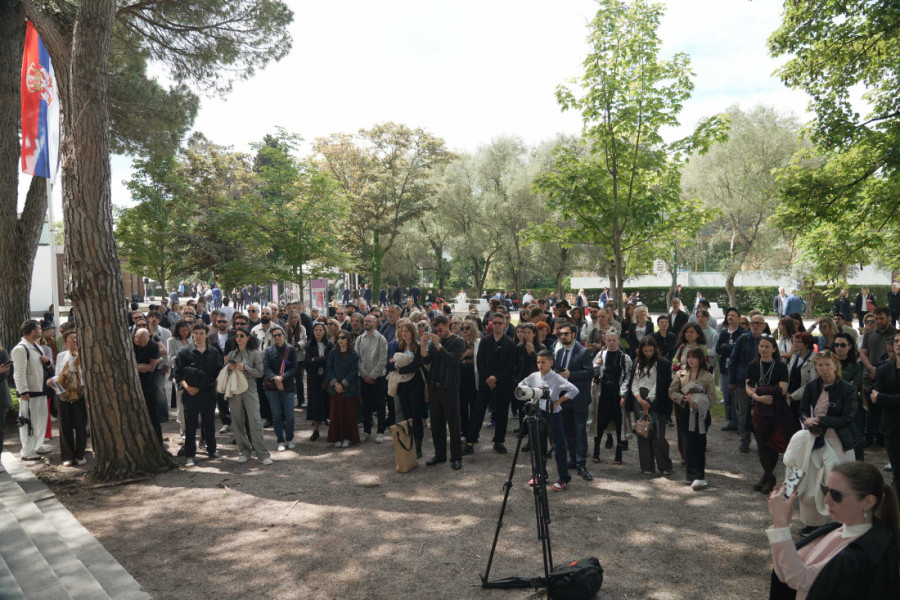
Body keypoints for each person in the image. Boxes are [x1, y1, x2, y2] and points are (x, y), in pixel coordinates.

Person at [766, 461, 900, 600]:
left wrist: (780, 525)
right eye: (826, 490)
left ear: (868, 502)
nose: (826, 500)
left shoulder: (864, 554)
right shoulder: (835, 527)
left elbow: (801, 580)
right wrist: (780, 527)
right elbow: (784, 573)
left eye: (836, 495)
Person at [794, 351, 861, 532]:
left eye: (827, 365)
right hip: (814, 439)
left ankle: (840, 521)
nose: (823, 369)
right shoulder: (812, 386)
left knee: (839, 482)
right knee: (813, 481)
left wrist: (821, 421)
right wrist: (807, 421)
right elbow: (802, 410)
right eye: (820, 365)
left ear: (835, 366)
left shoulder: (847, 388)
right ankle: (813, 523)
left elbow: (848, 418)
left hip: (839, 440)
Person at [518, 349, 577, 491]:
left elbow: (574, 390)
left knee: (559, 446)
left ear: (551, 363)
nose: (540, 365)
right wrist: (530, 396)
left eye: (543, 362)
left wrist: (558, 401)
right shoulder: (534, 376)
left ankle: (563, 478)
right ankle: (540, 474)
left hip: (553, 415)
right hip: (538, 414)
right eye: (538, 362)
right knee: (539, 445)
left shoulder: (556, 378)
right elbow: (521, 385)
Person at [744, 334, 792, 495]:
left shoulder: (780, 366)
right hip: (758, 407)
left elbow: (783, 389)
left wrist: (760, 389)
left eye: (767, 346)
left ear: (773, 349)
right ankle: (768, 476)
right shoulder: (753, 365)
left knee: (772, 443)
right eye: (761, 346)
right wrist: (758, 396)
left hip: (776, 408)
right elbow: (748, 387)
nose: (763, 349)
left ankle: (769, 477)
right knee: (761, 443)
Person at [174, 322, 224, 467]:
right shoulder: (184, 352)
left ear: (206, 334)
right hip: (191, 393)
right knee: (190, 425)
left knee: (209, 423)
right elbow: (178, 374)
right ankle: (190, 455)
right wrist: (187, 388)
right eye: (196, 333)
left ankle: (212, 450)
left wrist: (216, 389)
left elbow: (219, 373)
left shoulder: (213, 352)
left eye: (202, 333)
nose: (199, 336)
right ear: (192, 334)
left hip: (208, 393)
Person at [467, 312, 516, 454]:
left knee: (501, 413)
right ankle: (471, 440)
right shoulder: (485, 340)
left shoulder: (509, 343)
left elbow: (510, 365)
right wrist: (487, 377)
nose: (497, 325)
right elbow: (480, 361)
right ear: (491, 323)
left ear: (505, 324)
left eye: (500, 323)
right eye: (495, 323)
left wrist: (496, 378)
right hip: (485, 383)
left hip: (502, 384)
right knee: (478, 412)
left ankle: (499, 441)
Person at [421, 314, 466, 470]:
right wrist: (423, 346)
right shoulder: (435, 342)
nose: (438, 333)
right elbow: (427, 361)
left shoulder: (458, 341)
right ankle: (440, 454)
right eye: (436, 330)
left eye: (440, 330)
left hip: (450, 387)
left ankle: (456, 457)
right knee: (436, 424)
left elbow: (453, 361)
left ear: (448, 326)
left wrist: (439, 345)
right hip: (435, 387)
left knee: (453, 424)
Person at [669, 346, 717, 490]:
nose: (690, 360)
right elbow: (671, 391)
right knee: (688, 444)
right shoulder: (680, 374)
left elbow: (712, 398)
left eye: (694, 357)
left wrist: (698, 400)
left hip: (701, 416)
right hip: (685, 414)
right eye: (689, 357)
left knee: (700, 444)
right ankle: (690, 475)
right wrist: (684, 398)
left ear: (701, 359)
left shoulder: (707, 376)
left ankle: (700, 475)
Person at [225, 327, 272, 465]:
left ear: (248, 338)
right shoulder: (231, 354)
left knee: (255, 420)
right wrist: (229, 368)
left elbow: (260, 373)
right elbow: (224, 371)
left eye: (241, 335)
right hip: (234, 389)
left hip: (250, 388)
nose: (238, 338)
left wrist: (246, 368)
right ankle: (244, 451)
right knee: (237, 420)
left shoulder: (255, 353)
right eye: (236, 336)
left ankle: (263, 454)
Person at [631, 337, 673, 476]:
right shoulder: (637, 363)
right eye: (645, 351)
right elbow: (634, 382)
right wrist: (639, 398)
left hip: (657, 402)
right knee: (643, 433)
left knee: (658, 436)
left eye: (650, 350)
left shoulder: (662, 364)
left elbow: (661, 384)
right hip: (640, 400)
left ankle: (665, 466)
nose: (648, 353)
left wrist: (648, 400)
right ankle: (647, 466)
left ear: (655, 349)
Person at [590, 331, 633, 467]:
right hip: (603, 394)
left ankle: (618, 454)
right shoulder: (601, 354)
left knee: (619, 424)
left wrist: (623, 394)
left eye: (614, 340)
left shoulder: (624, 357)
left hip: (617, 394)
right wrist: (597, 365)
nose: (611, 343)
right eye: (609, 340)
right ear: (605, 341)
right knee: (600, 423)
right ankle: (596, 451)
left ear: (618, 342)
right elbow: (594, 371)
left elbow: (628, 376)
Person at [48, 331, 87, 466]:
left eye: (76, 338)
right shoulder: (60, 355)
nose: (74, 340)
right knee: (65, 424)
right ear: (65, 342)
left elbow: (74, 369)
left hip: (79, 393)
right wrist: (52, 380)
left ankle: (80, 454)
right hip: (63, 393)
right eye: (71, 338)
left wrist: (73, 354)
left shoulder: (84, 355)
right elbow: (59, 374)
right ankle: (68, 456)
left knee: (81, 424)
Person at [387, 321, 426, 457]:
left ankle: (418, 445)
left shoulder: (418, 346)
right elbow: (389, 365)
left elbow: (415, 365)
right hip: (402, 385)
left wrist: (398, 366)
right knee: (406, 415)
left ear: (413, 332)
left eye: (407, 331)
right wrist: (399, 366)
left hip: (416, 385)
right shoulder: (398, 346)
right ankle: (408, 444)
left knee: (416, 415)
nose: (404, 334)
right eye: (402, 331)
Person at [731, 314, 768, 453]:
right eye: (753, 323)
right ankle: (744, 440)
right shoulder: (742, 339)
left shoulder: (767, 340)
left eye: (759, 323)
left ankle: (761, 441)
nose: (755, 325)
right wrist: (732, 381)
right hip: (743, 382)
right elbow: (734, 360)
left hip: (764, 383)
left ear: (764, 326)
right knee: (743, 413)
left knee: (762, 413)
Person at [861, 307, 896, 447]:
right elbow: (863, 353)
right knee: (871, 407)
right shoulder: (869, 334)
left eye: (881, 318)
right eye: (876, 319)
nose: (878, 321)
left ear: (889, 318)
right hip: (870, 373)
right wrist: (871, 368)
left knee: (885, 406)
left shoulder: (895, 334)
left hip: (889, 374)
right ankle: (870, 436)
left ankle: (883, 437)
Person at [872, 332, 900, 494]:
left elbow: (880, 397)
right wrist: (882, 398)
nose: (898, 344)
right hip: (891, 427)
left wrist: (883, 397)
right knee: (897, 472)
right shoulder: (883, 370)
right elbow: (874, 398)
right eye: (896, 340)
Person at [263, 326, 298, 452]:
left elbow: (294, 367)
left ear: (284, 335)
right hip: (272, 388)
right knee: (276, 415)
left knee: (290, 416)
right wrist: (275, 378)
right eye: (274, 335)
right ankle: (280, 440)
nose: (277, 337)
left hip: (287, 387)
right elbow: (266, 368)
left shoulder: (291, 350)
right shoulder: (268, 351)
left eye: (279, 334)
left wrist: (282, 377)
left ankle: (290, 438)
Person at [356, 314, 388, 443]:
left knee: (380, 405)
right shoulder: (359, 339)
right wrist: (364, 375)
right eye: (365, 321)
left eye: (370, 321)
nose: (367, 323)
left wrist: (372, 375)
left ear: (375, 323)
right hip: (363, 378)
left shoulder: (381, 339)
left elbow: (382, 360)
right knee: (366, 405)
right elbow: (357, 359)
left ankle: (380, 432)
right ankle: (367, 431)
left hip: (378, 377)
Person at [327, 331, 360, 448]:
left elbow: (354, 371)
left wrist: (344, 384)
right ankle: (336, 437)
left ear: (348, 339)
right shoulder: (333, 353)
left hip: (349, 389)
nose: (340, 340)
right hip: (335, 388)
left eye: (343, 338)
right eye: (338, 338)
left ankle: (348, 438)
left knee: (348, 413)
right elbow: (329, 369)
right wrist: (335, 384)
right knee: (335, 413)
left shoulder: (354, 354)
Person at [133, 328, 164, 446]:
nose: (141, 344)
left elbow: (151, 367)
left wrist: (136, 366)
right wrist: (136, 367)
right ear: (134, 336)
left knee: (153, 413)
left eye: (143, 342)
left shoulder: (153, 346)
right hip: (132, 382)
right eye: (138, 342)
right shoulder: (128, 343)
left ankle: (159, 444)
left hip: (149, 382)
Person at [458, 317, 481, 442]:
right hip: (461, 378)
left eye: (467, 328)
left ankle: (473, 433)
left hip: (474, 379)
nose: (464, 330)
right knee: (462, 406)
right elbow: (456, 359)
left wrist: (467, 361)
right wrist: (466, 356)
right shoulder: (459, 342)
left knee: (474, 407)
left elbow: (480, 362)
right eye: (462, 328)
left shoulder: (478, 342)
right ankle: (464, 430)